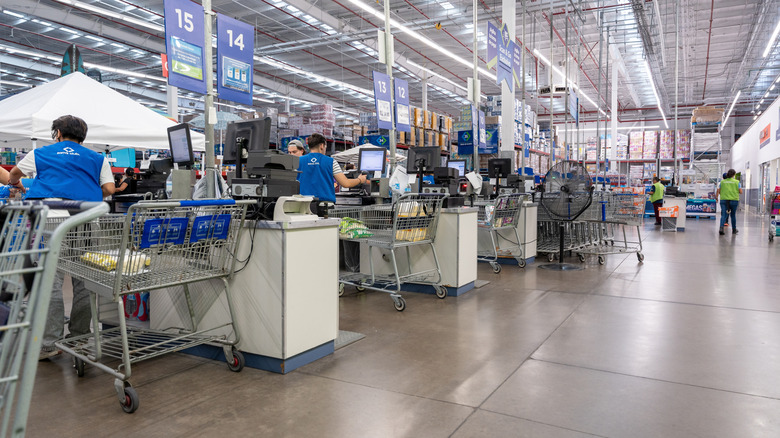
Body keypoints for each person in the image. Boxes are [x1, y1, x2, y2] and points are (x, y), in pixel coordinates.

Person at [7, 115, 115, 360]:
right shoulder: (98, 158)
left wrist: (18, 183)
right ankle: (79, 336)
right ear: (82, 137)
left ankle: (49, 343)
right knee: (85, 279)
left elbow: (14, 173)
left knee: (52, 280)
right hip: (87, 218)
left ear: (57, 133)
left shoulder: (41, 153)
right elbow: (109, 190)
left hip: (53, 220)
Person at [299, 133, 366, 203]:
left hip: (303, 204)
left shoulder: (299, 161)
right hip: (324, 204)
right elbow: (346, 183)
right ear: (322, 146)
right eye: (325, 147)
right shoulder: (330, 162)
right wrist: (360, 179)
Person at [717, 168, 742, 235]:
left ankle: (721, 228)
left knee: (723, 215)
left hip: (724, 200)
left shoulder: (722, 182)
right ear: (733, 175)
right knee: (733, 215)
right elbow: (740, 191)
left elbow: (719, 191)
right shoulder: (737, 182)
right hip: (734, 200)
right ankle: (734, 229)